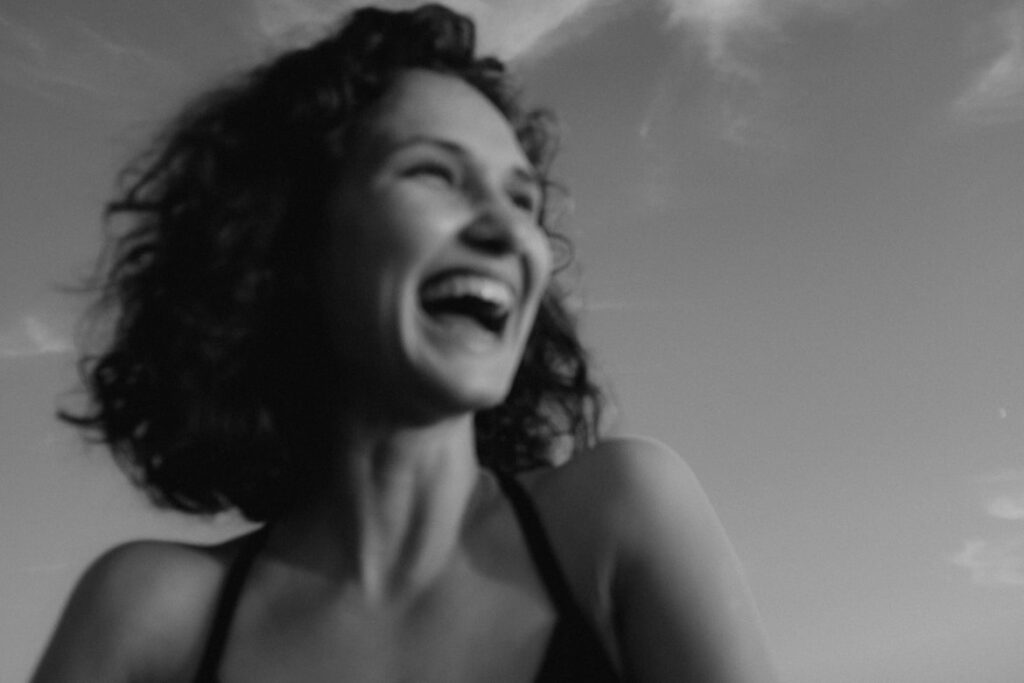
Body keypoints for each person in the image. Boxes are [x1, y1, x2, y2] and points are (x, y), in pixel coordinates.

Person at [32, 4, 775, 682]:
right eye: (435, 174)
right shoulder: (149, 617)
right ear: (290, 241)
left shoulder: (618, 516)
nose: (504, 229)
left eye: (523, 199)